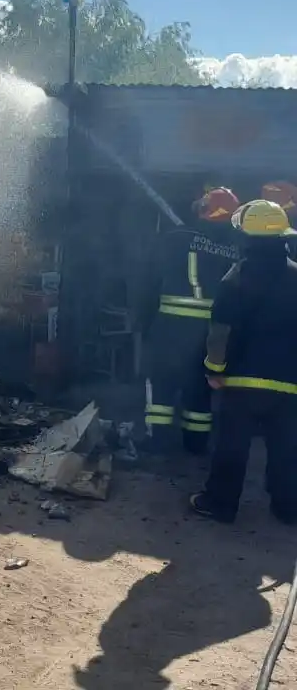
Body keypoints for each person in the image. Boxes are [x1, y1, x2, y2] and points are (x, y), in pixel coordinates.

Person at [191, 199, 297, 524]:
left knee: (231, 448)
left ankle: (220, 504)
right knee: (287, 450)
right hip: (289, 383)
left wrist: (214, 369)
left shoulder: (236, 277)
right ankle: (288, 509)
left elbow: (221, 331)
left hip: (241, 382)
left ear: (246, 237)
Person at [141, 187, 241, 455]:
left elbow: (148, 283)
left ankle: (157, 445)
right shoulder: (234, 249)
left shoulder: (174, 239)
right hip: (211, 335)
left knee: (162, 388)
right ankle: (195, 447)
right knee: (200, 390)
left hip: (170, 328)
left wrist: (143, 322)